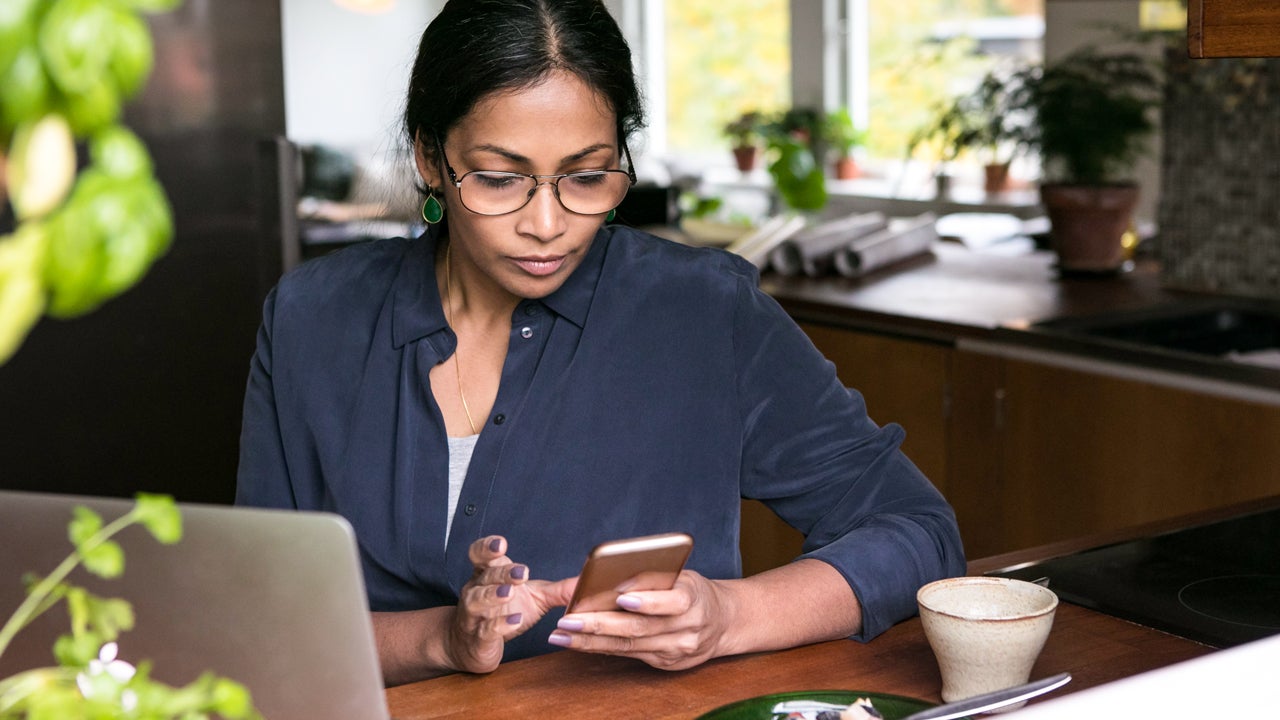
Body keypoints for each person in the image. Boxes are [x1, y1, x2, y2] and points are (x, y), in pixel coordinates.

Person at [236, 0, 965, 687]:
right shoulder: (312, 319)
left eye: (587, 177)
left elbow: (916, 533)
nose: (548, 224)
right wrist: (445, 640)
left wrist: (728, 617)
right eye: (499, 178)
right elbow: (263, 626)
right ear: (431, 158)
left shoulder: (704, 311)